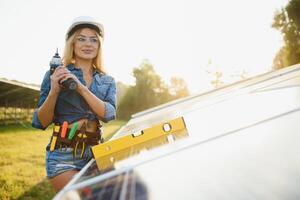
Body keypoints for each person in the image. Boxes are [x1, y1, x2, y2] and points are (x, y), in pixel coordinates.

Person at [32, 16, 116, 192]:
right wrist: (54, 90)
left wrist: (81, 88)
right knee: (86, 196)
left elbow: (108, 114)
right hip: (64, 155)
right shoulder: (55, 74)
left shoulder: (107, 81)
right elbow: (40, 122)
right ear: (72, 43)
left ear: (99, 46)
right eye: (81, 38)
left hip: (97, 152)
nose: (88, 44)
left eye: (94, 40)